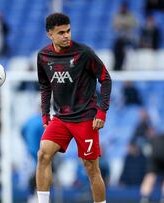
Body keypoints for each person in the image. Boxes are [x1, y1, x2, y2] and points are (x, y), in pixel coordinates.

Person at [36, 13, 112, 203]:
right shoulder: (43, 57)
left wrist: (102, 111)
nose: (66, 35)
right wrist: (45, 115)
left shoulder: (84, 53)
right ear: (50, 34)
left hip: (86, 117)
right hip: (61, 118)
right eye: (61, 32)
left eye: (68, 31)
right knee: (43, 155)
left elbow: (106, 79)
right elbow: (45, 86)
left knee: (91, 167)